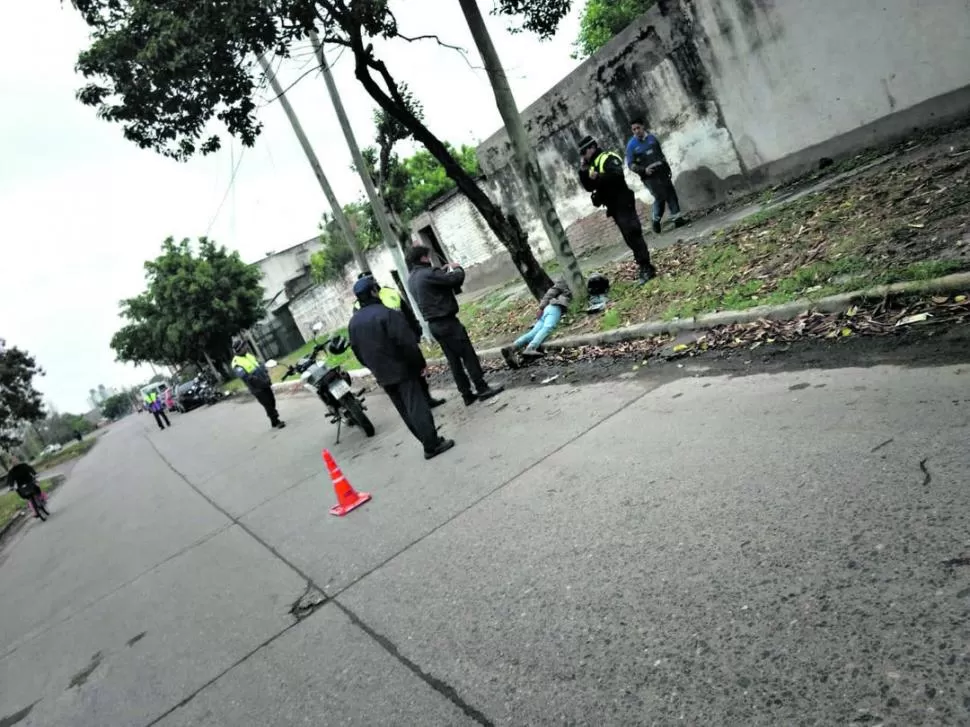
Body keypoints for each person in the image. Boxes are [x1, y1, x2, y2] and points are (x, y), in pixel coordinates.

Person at [348, 277, 454, 460]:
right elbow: (407, 343)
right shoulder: (387, 314)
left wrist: (374, 367)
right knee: (417, 406)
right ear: (374, 291)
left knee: (405, 410)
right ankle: (432, 444)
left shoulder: (353, 323)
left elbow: (358, 353)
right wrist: (420, 364)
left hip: (382, 374)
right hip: (402, 369)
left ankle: (426, 441)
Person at [406, 245, 504, 406]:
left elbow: (434, 287)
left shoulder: (412, 279)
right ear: (423, 258)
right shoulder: (429, 273)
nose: (430, 259)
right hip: (448, 322)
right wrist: (457, 269)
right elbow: (455, 280)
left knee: (454, 361)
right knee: (467, 355)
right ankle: (482, 388)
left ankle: (466, 394)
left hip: (434, 326)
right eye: (428, 256)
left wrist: (442, 272)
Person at [353, 271, 445, 409]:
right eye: (368, 280)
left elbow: (407, 312)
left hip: (404, 338)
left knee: (418, 370)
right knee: (403, 379)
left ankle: (427, 399)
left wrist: (416, 330)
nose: (372, 282)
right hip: (385, 347)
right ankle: (416, 407)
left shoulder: (390, 293)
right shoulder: (359, 306)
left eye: (372, 278)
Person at [578, 134, 658, 285]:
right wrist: (583, 171)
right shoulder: (593, 165)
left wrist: (598, 177)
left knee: (633, 233)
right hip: (613, 206)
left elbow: (617, 175)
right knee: (629, 237)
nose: (583, 156)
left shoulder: (608, 157)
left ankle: (646, 267)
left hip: (623, 201)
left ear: (592, 147)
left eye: (584, 152)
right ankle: (643, 266)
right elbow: (589, 187)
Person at [625, 119, 687, 234]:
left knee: (671, 194)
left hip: (662, 172)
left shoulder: (652, 138)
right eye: (634, 129)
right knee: (660, 197)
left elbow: (661, 155)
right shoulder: (631, 146)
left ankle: (678, 219)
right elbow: (630, 164)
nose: (636, 131)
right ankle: (655, 221)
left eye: (638, 128)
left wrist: (667, 167)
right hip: (649, 176)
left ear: (643, 127)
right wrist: (643, 170)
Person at [501, 278, 572, 368]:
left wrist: (542, 308)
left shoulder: (566, 281)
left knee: (533, 333)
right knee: (548, 327)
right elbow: (550, 293)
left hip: (547, 309)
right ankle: (531, 348)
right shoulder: (566, 281)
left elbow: (549, 294)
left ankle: (512, 348)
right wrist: (541, 307)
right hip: (555, 307)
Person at [231, 340, 285, 429]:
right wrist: (261, 382)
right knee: (267, 403)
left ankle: (273, 420)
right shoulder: (236, 363)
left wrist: (265, 373)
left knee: (272, 401)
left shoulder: (248, 355)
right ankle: (276, 420)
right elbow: (246, 377)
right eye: (244, 346)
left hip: (265, 382)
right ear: (239, 349)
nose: (246, 347)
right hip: (256, 388)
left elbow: (259, 364)